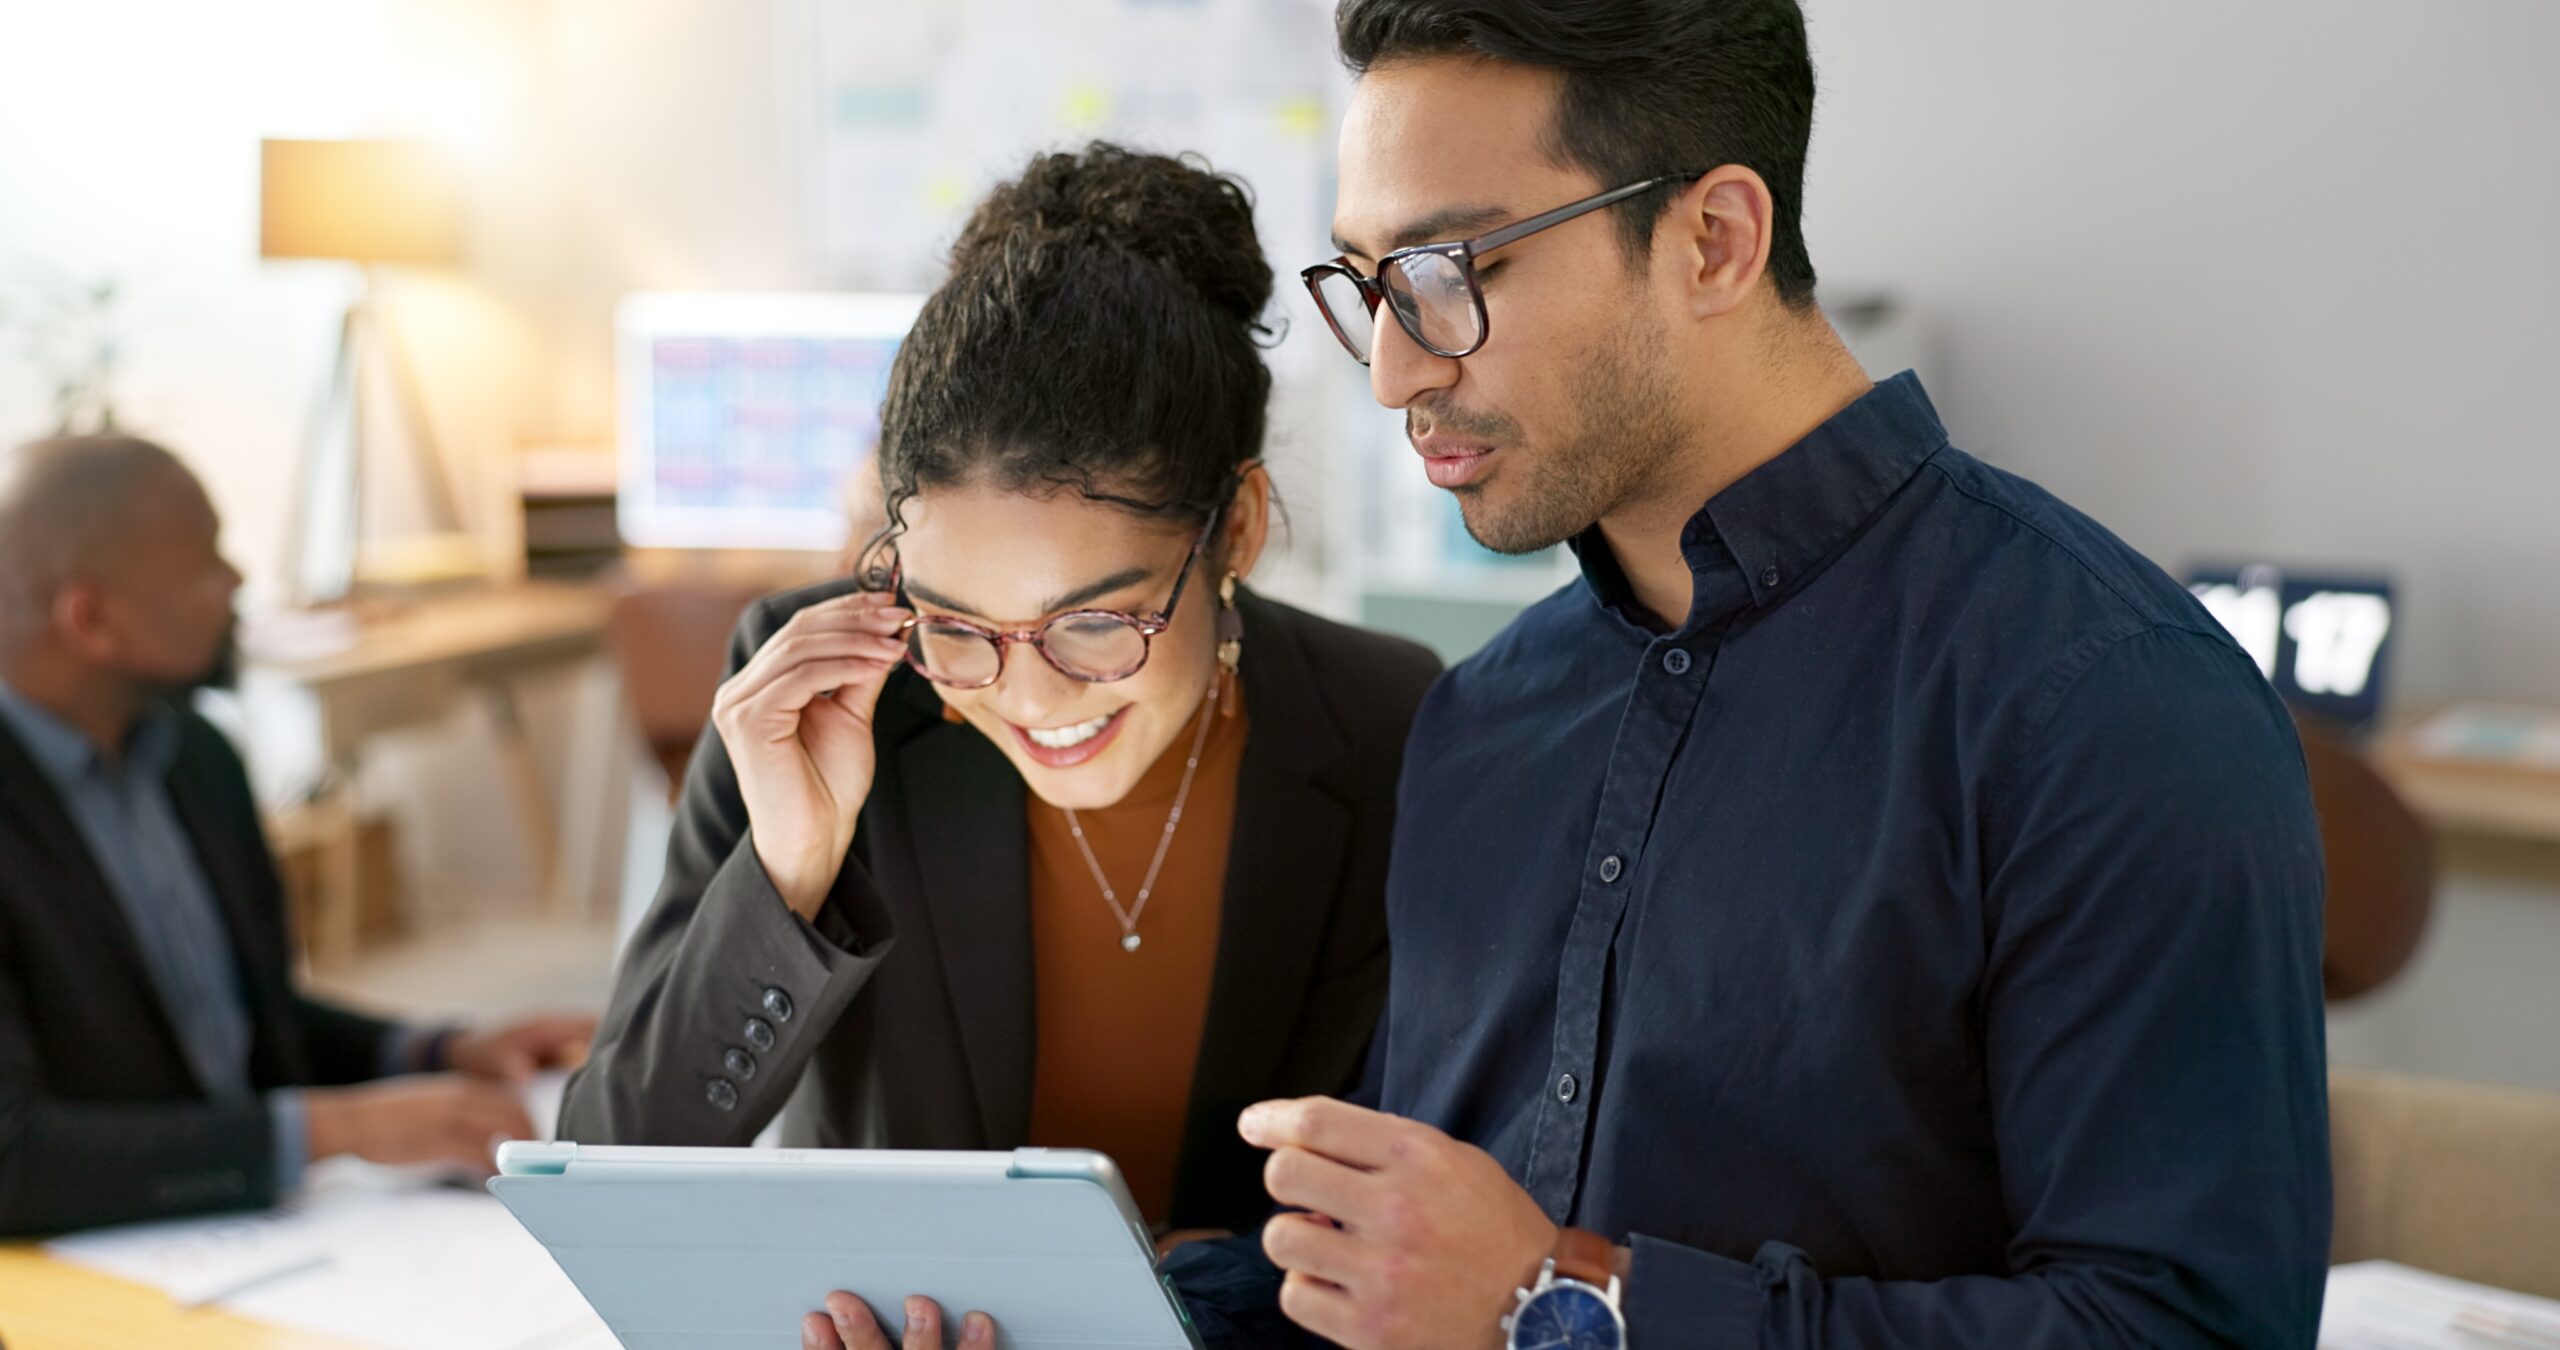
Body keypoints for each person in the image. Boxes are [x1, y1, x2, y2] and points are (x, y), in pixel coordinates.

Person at [1165, 2, 2333, 1347]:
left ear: (1713, 241)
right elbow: (1410, 1270)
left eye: (1443, 270)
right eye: (1369, 284)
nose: (1392, 370)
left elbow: (2182, 1330)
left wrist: (1570, 1301)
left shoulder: (2111, 709)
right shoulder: (1482, 718)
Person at [551, 144, 1442, 1347]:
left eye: (1093, 621)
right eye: (955, 622)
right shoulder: (829, 698)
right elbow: (613, 1176)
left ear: (1236, 529)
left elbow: (1421, 1195)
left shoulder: (1388, 722)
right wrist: (790, 876)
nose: (1021, 692)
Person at [0, 433, 596, 1237]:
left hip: (243, 1238)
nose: (237, 583)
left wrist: (432, 1051)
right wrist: (340, 1129)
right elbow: (14, 1159)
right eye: (207, 561)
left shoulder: (192, 755)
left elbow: (245, 1023)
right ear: (91, 618)